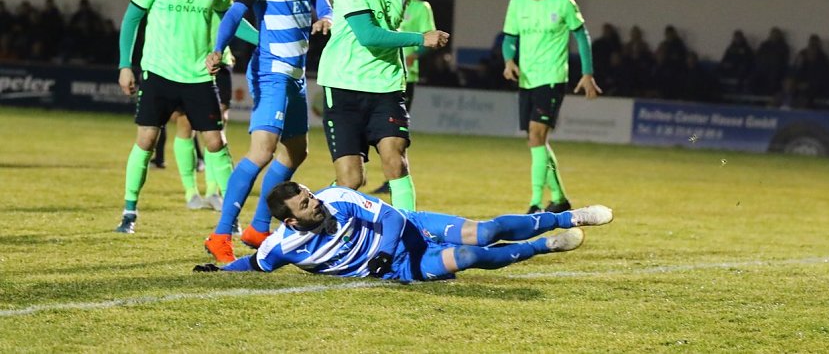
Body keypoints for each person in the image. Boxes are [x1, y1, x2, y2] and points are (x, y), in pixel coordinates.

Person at [203, 0, 333, 263]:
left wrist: (327, 19)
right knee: (261, 152)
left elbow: (325, 7)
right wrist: (218, 49)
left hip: (295, 74)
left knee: (297, 152)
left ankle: (259, 228)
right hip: (272, 71)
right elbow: (235, 13)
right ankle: (220, 234)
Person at [114, 0, 256, 234]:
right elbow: (132, 19)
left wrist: (267, 41)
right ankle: (129, 212)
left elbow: (231, 20)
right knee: (147, 140)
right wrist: (125, 64)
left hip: (198, 77)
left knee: (216, 143)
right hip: (159, 73)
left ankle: (230, 217)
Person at [193, 181, 614, 279]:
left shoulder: (337, 196)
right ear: (290, 222)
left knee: (484, 233)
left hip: (409, 231)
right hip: (402, 268)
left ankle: (568, 217)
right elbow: (256, 263)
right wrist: (220, 271)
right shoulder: (284, 246)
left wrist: (380, 251)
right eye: (305, 204)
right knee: (468, 257)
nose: (315, 202)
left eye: (310, 195)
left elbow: (392, 216)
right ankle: (546, 247)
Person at [315, 0, 449, 214]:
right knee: (351, 179)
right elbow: (367, 35)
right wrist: (420, 38)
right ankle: (311, 216)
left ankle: (411, 233)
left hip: (387, 85)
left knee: (396, 161)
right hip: (344, 84)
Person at [152, 0, 242, 211]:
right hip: (188, 66)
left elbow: (225, 19)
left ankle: (215, 191)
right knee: (185, 125)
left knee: (217, 130)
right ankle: (191, 192)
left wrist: (222, 49)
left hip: (217, 64)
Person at [502, 0, 601, 215]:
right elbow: (509, 38)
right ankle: (559, 198)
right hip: (527, 79)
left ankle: (535, 203)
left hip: (553, 78)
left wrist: (587, 72)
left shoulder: (563, 3)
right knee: (536, 141)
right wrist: (508, 60)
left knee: (536, 136)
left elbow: (582, 37)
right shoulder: (517, 3)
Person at [371, 0, 436, 195]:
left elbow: (429, 38)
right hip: (379, 72)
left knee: (396, 131)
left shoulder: (421, 8)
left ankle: (394, 177)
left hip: (406, 77)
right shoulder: (384, 1)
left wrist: (415, 55)